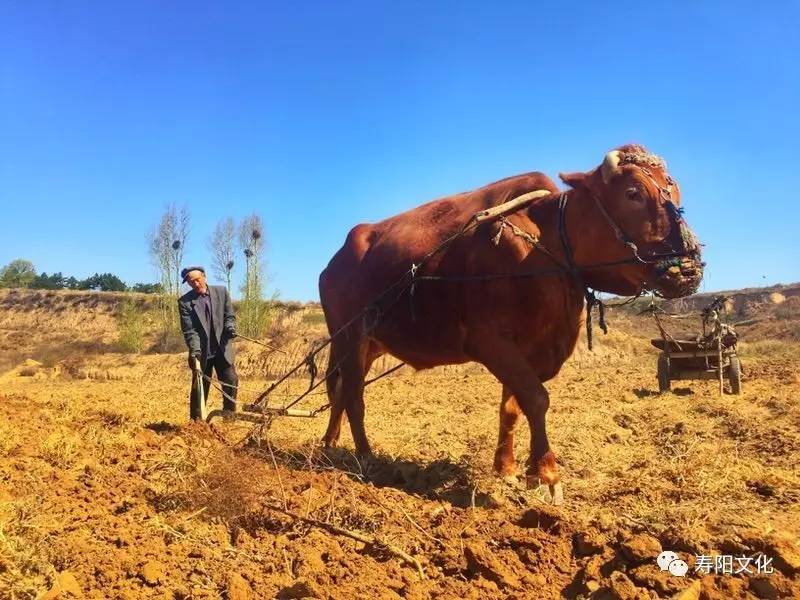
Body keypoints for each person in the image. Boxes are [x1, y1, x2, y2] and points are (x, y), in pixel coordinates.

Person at [177, 266, 239, 420]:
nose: (195, 284)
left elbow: (229, 316)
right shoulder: (185, 302)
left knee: (231, 380)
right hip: (202, 351)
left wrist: (230, 326)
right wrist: (195, 350)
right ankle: (197, 423)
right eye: (191, 283)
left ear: (204, 276)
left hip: (222, 348)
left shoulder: (221, 292)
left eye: (197, 280)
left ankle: (229, 416)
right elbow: (190, 331)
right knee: (200, 386)